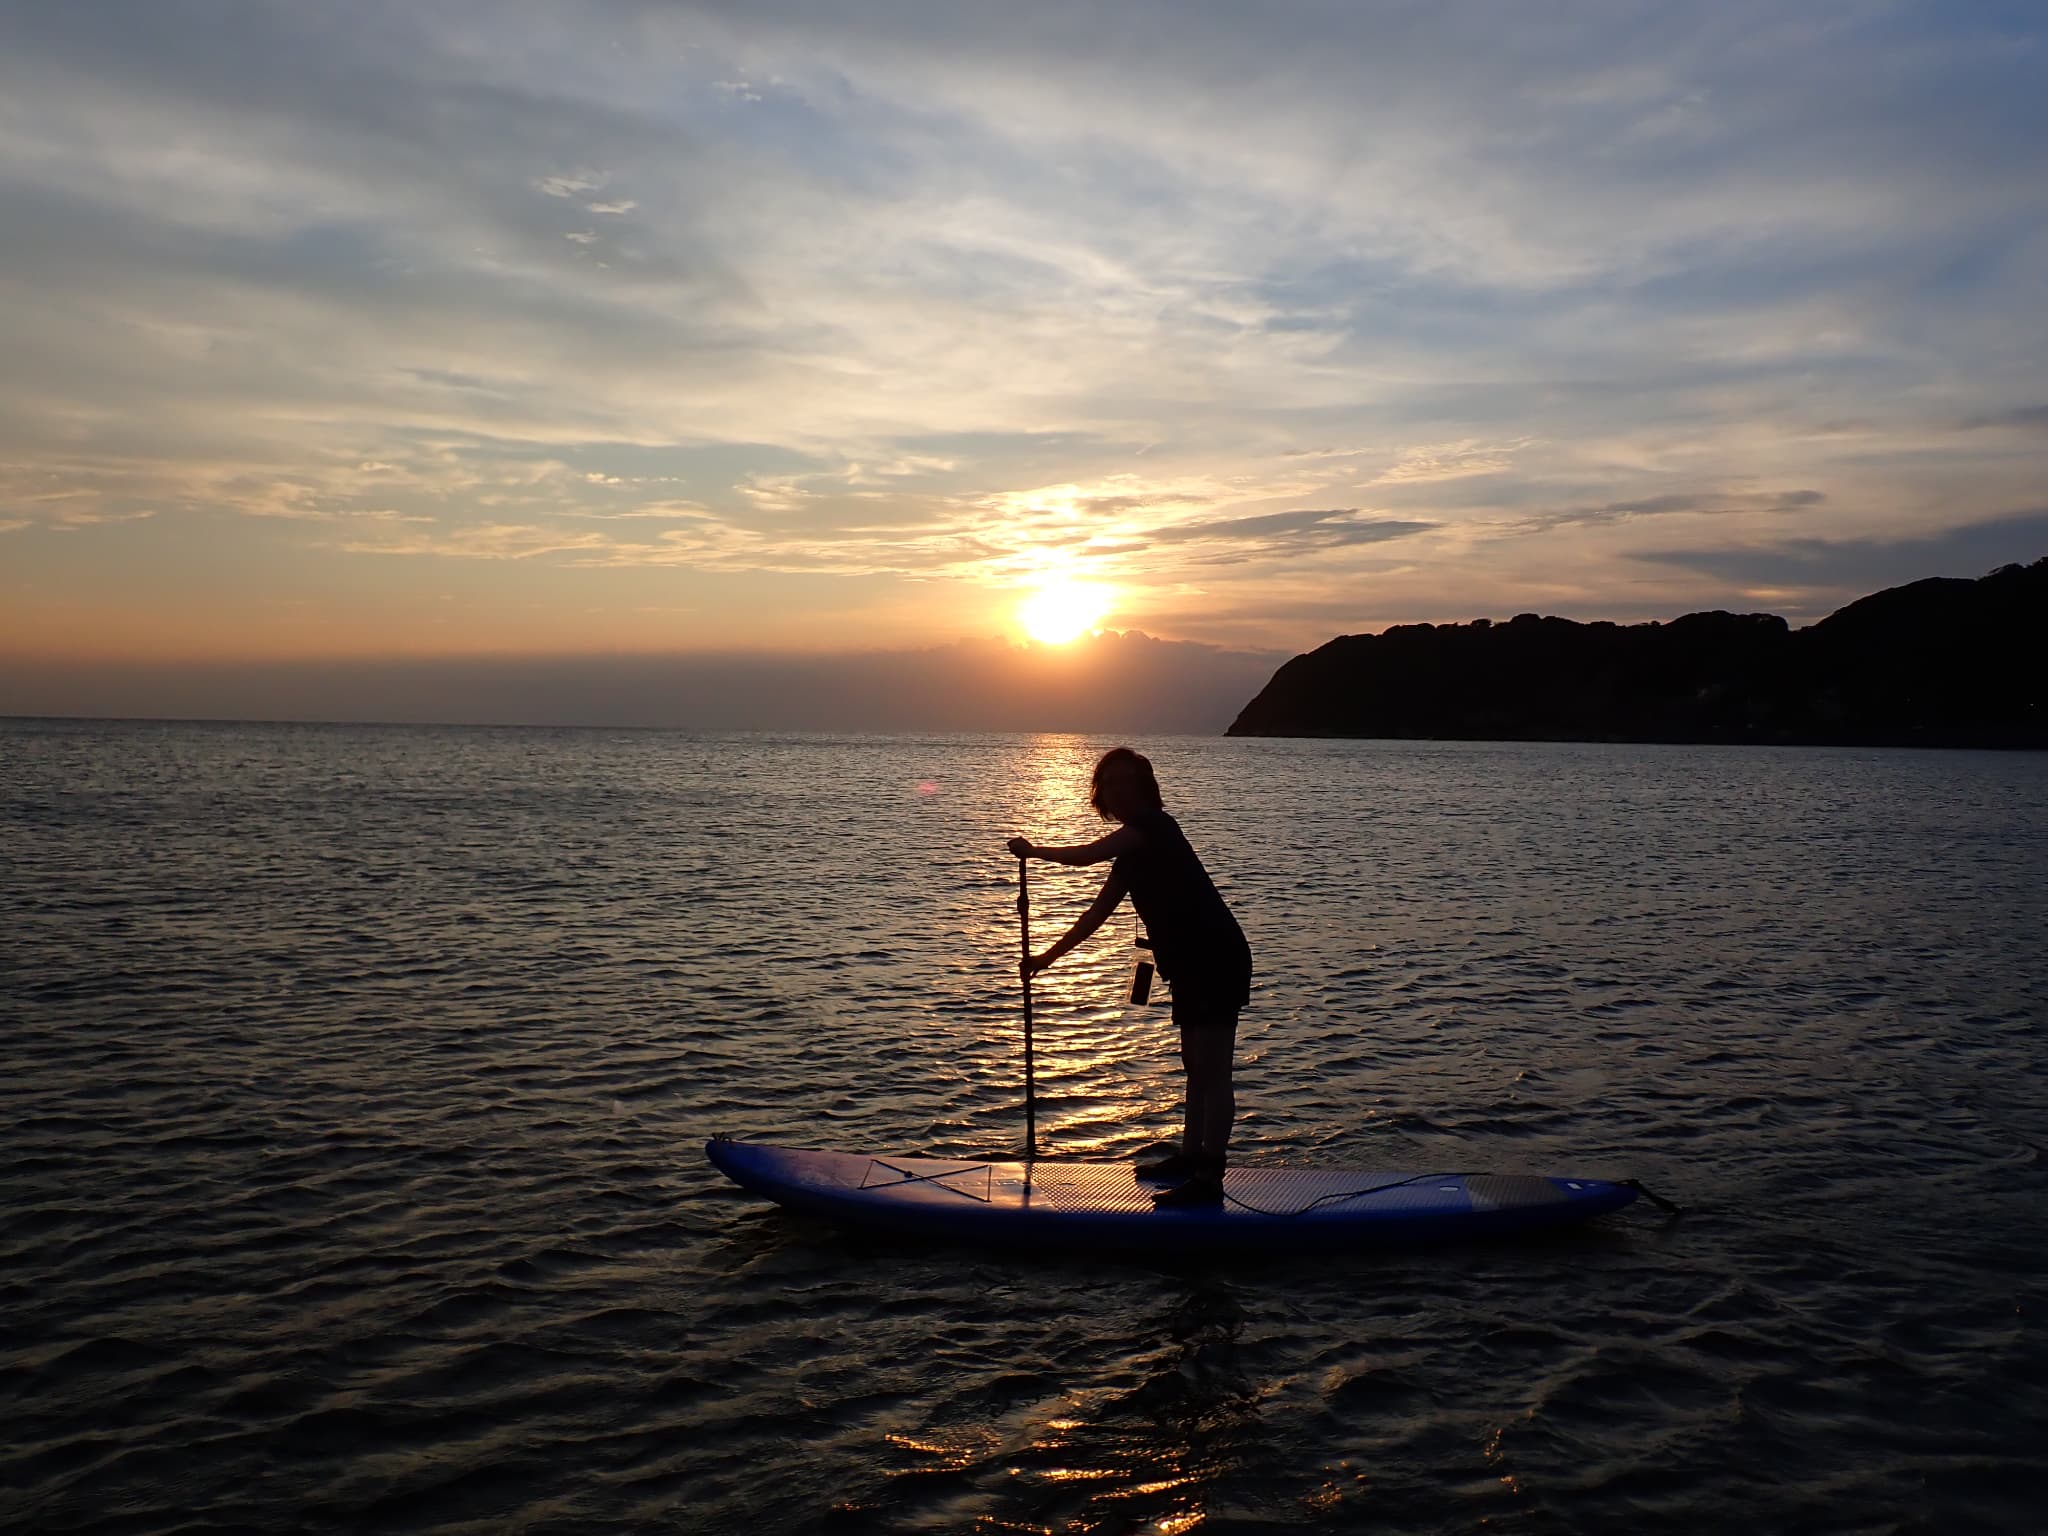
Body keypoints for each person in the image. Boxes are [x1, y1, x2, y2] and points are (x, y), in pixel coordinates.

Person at [1007, 747, 1253, 1206]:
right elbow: (1096, 914)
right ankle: (1189, 1156)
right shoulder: (1132, 852)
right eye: (1110, 783)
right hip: (1187, 966)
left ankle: (1208, 1179)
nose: (1118, 791)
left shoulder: (1157, 827)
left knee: (1214, 1071)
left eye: (1127, 781)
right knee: (1194, 1067)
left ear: (1144, 788)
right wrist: (1048, 957)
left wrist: (1033, 850)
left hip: (1216, 958)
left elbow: (1084, 856)